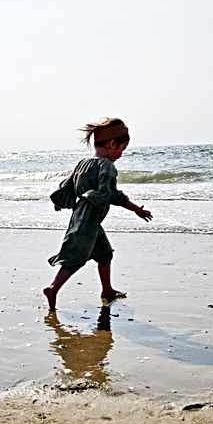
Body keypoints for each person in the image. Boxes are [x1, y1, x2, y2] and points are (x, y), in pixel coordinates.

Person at [43, 117, 151, 311]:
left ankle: (107, 290)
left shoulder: (83, 163)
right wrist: (137, 209)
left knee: (105, 254)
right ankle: (53, 289)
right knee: (75, 257)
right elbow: (111, 194)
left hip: (84, 218)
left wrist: (58, 201)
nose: (121, 154)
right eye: (122, 149)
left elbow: (67, 185)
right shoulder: (106, 166)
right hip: (88, 220)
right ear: (112, 144)